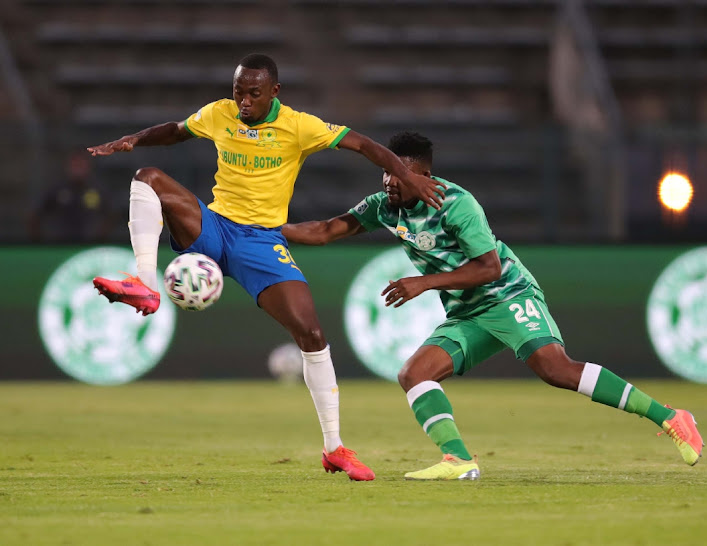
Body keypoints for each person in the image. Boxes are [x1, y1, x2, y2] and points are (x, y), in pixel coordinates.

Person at [86, 54, 447, 482]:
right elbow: (176, 131)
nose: (243, 102)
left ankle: (335, 448)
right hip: (213, 227)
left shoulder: (299, 126)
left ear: (274, 92)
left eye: (253, 94)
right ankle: (144, 284)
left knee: (311, 334)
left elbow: (366, 146)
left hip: (260, 240)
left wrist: (408, 178)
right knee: (146, 177)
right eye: (238, 91)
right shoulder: (219, 114)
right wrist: (134, 138)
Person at [282, 131, 705, 481]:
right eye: (385, 171)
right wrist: (266, 229)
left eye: (400, 174)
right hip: (468, 312)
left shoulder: (455, 204)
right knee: (414, 373)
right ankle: (460, 460)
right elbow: (323, 230)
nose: (389, 182)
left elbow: (489, 267)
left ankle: (670, 416)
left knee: (555, 369)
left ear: (425, 176)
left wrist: (424, 282)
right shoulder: (384, 207)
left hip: (507, 294)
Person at [28, 151, 114, 243]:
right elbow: (34, 216)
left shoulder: (98, 191)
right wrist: (40, 242)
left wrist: (100, 238)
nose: (78, 169)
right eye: (75, 164)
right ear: (68, 166)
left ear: (88, 167)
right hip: (60, 245)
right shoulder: (56, 190)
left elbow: (112, 215)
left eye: (81, 164)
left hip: (89, 246)